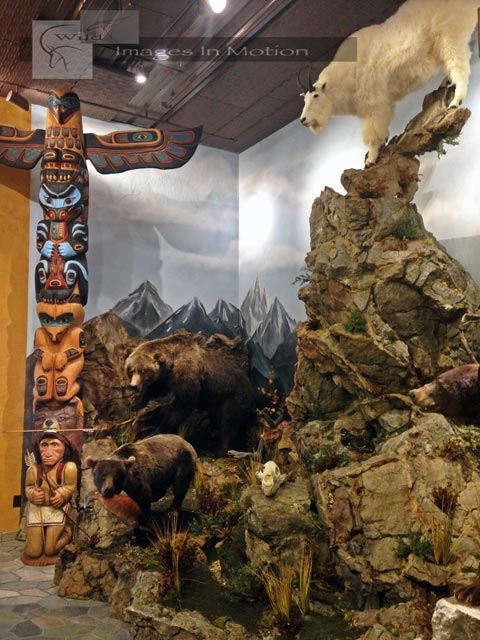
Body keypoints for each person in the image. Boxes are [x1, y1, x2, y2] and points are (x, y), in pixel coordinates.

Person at [23, 420, 78, 565]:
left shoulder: (69, 468)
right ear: (38, 449)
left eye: (55, 445)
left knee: (51, 549)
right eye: (44, 445)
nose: (48, 453)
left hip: (56, 509)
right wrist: (32, 494)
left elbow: (70, 486)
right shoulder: (33, 470)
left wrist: (62, 494)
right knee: (33, 551)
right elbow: (28, 487)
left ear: (64, 448)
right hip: (37, 509)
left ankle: (68, 533)